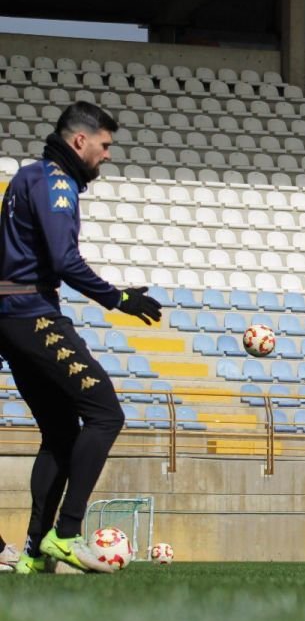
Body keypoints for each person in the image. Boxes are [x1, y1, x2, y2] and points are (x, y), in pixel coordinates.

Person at [0, 102, 162, 575]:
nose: (107, 155)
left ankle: (33, 554)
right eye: (104, 145)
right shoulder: (57, 184)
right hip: (31, 312)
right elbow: (65, 261)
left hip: (11, 313)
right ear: (80, 141)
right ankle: (66, 534)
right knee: (105, 413)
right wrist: (120, 299)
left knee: (59, 432)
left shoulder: (28, 175)